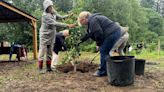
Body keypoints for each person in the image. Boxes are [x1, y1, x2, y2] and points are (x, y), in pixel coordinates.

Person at [77, 11, 121, 77]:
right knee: (105, 51)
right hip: (114, 32)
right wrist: (79, 41)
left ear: (84, 19)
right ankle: (109, 69)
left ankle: (102, 71)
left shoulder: (93, 21)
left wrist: (98, 44)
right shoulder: (92, 20)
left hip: (112, 33)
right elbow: (89, 34)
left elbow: (98, 33)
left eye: (81, 22)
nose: (83, 25)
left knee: (103, 50)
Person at [38, 0, 75, 74]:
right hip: (44, 35)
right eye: (49, 7)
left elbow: (60, 17)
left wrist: (68, 15)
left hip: (51, 35)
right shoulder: (45, 16)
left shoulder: (53, 11)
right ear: (46, 7)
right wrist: (67, 25)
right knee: (42, 52)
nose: (51, 8)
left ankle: (49, 68)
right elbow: (55, 23)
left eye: (51, 6)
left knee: (50, 52)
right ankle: (40, 69)